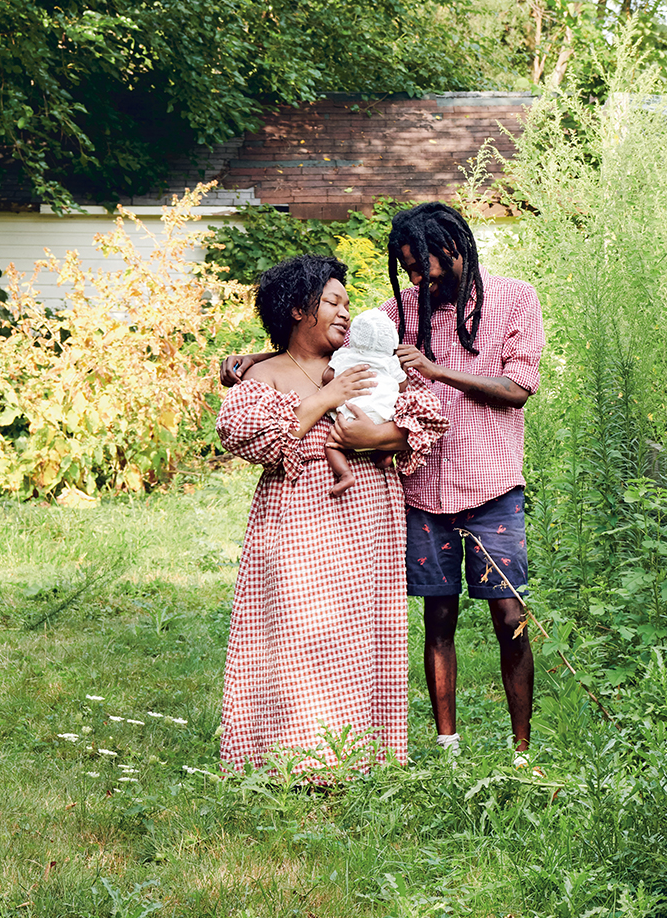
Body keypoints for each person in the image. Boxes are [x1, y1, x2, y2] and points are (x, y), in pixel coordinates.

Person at [222, 204, 545, 760]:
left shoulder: (516, 298)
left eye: (423, 266)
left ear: (455, 249)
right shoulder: (398, 312)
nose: (418, 279)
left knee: (509, 614)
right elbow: (329, 336)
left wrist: (434, 373)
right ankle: (446, 747)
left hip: (491, 486)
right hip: (421, 493)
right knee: (435, 617)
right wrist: (254, 356)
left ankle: (523, 750)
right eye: (408, 270)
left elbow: (518, 387)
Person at [215, 254, 447, 778]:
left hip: (368, 516)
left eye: (348, 303)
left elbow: (422, 424)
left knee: (359, 634)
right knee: (302, 632)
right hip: (297, 518)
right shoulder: (265, 374)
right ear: (298, 309)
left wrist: (377, 436)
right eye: (333, 302)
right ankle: (294, 758)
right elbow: (249, 439)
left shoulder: (365, 364)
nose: (346, 313)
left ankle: (357, 760)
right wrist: (327, 397)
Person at [320, 308, 406, 498]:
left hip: (353, 416)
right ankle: (384, 456)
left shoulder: (346, 356)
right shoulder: (391, 361)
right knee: (390, 430)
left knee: (331, 444)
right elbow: (402, 384)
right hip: (383, 416)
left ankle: (345, 474)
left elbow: (328, 377)